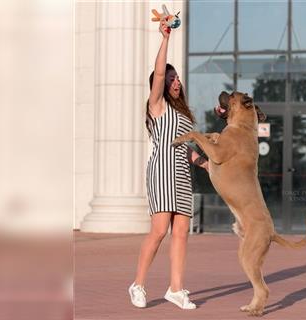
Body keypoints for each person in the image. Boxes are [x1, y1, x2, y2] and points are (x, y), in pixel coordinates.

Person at [128, 19, 207, 310]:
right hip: (160, 170)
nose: (175, 81)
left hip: (182, 173)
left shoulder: (184, 114)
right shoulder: (156, 105)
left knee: (182, 232)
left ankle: (176, 289)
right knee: (160, 230)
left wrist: (206, 164)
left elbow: (185, 149)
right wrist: (165, 39)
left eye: (177, 79)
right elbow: (159, 72)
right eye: (170, 79)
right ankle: (138, 284)